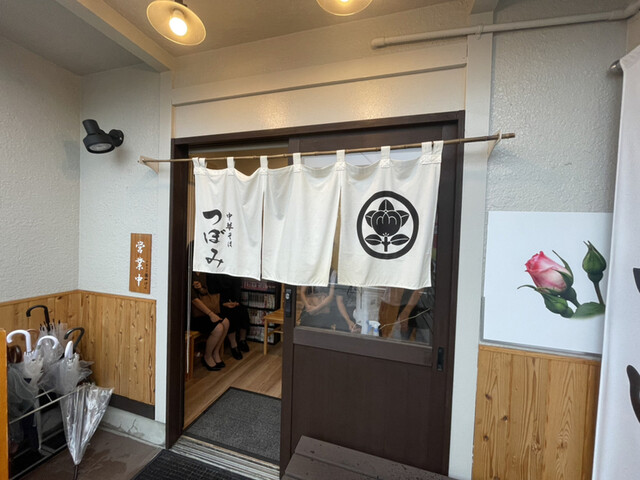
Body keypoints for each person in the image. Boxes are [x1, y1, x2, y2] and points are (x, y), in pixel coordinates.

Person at [207, 273, 251, 360]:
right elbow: (212, 292)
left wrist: (236, 302)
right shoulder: (212, 274)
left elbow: (237, 288)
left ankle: (242, 340)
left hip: (232, 300)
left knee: (243, 310)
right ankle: (233, 345)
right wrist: (223, 303)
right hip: (218, 303)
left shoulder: (232, 271)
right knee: (230, 314)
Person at [191, 272, 229, 371]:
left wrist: (200, 288)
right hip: (193, 314)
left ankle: (215, 352)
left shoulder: (202, 272)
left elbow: (205, 292)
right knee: (218, 328)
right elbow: (194, 299)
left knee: (226, 322)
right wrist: (211, 314)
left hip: (205, 311)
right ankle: (207, 356)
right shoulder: (188, 272)